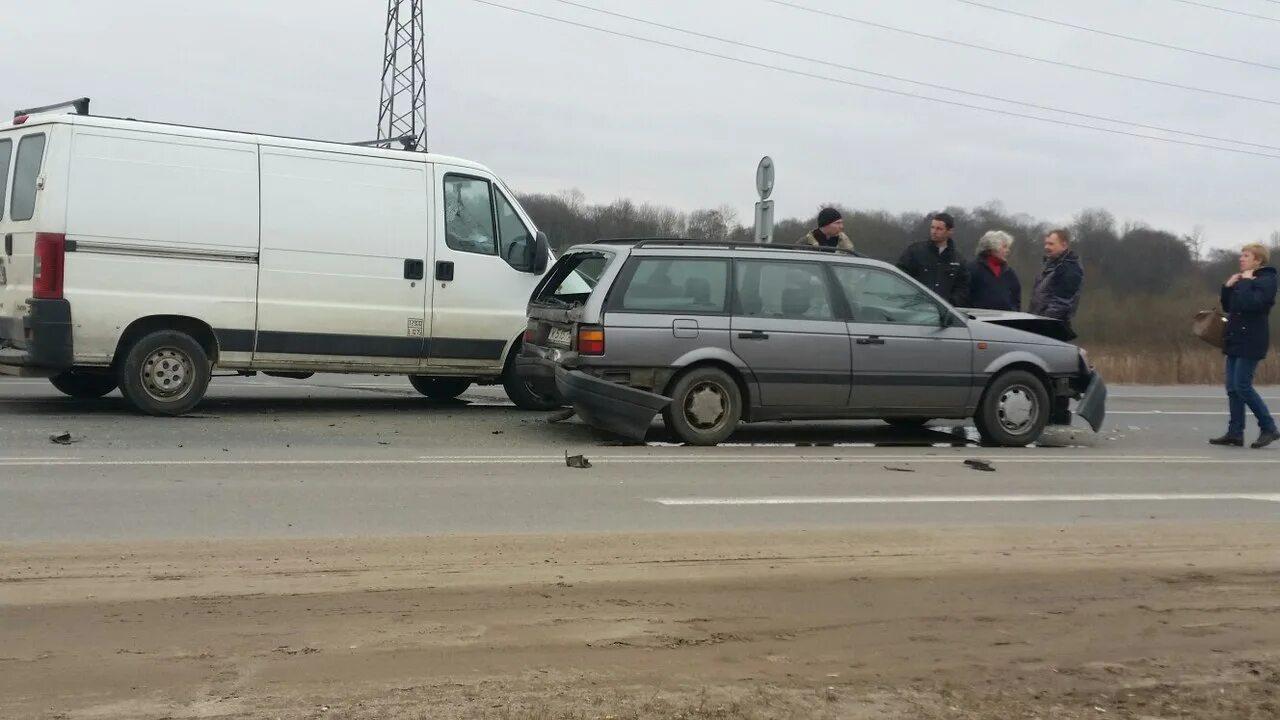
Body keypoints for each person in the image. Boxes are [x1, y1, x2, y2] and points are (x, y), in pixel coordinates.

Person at [1211, 244, 1279, 449]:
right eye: (1241, 255)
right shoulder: (1245, 280)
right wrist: (1228, 287)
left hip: (1252, 340)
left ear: (1258, 260)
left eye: (1246, 256)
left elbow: (1253, 305)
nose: (1241, 259)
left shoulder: (1267, 281)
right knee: (1232, 387)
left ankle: (1269, 427)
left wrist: (1247, 283)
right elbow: (1230, 307)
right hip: (1235, 339)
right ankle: (1235, 433)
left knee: (1242, 385)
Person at [896, 211, 969, 306]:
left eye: (939, 229)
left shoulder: (958, 260)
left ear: (950, 231)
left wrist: (950, 304)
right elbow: (900, 277)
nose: (934, 232)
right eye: (932, 227)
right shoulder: (915, 252)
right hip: (915, 310)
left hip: (945, 314)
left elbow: (963, 287)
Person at [1029, 228, 1083, 336]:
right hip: (1040, 323)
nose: (1046, 247)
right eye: (1046, 244)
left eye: (1051, 244)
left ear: (1064, 245)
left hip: (1053, 328)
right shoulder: (1049, 265)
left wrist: (1042, 324)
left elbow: (1061, 303)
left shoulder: (1069, 268)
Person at [967, 230, 1021, 311]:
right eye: (1004, 246)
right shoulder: (972, 269)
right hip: (977, 320)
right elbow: (964, 296)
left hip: (1005, 321)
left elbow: (1016, 299)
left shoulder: (1009, 273)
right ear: (992, 248)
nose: (1008, 250)